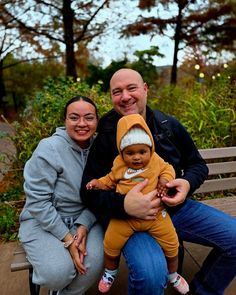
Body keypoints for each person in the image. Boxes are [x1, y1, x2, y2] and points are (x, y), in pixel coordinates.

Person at [81, 68, 236, 295]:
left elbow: (197, 164)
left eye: (131, 88)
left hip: (176, 210)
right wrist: (123, 205)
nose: (125, 96)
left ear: (145, 89)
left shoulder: (167, 125)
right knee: (151, 274)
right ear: (111, 97)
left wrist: (186, 184)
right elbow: (89, 190)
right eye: (117, 91)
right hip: (129, 221)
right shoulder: (106, 134)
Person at [86, 113, 189, 294]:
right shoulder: (118, 165)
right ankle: (110, 271)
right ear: (121, 152)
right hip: (125, 218)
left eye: (142, 152)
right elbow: (109, 180)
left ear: (150, 149)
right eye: (130, 153)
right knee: (110, 243)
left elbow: (169, 169)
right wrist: (97, 183)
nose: (137, 158)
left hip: (155, 215)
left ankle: (173, 275)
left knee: (172, 244)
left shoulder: (156, 160)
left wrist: (165, 180)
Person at [18, 96, 104, 295]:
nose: (82, 124)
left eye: (89, 118)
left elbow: (103, 193)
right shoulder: (49, 148)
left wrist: (83, 224)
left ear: (97, 121)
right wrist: (68, 240)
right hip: (43, 220)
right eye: (74, 118)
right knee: (57, 273)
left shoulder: (101, 148)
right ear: (65, 120)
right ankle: (58, 287)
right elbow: (38, 202)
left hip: (86, 219)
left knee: (90, 264)